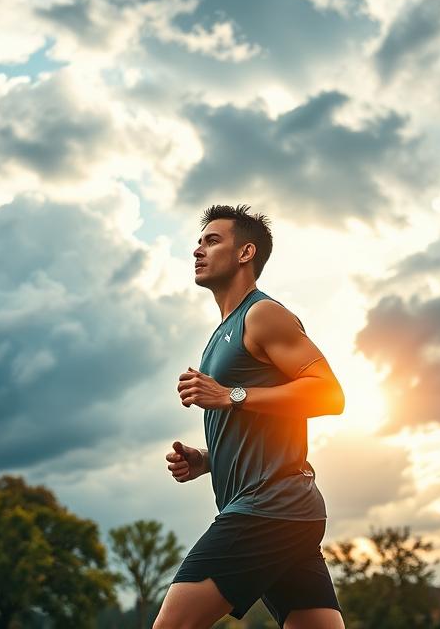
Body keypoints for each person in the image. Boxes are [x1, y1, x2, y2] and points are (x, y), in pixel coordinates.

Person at [154, 204, 346, 629]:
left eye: (212, 240)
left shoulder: (262, 314)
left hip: (268, 507)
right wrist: (208, 460)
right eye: (199, 242)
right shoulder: (222, 332)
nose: (197, 250)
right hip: (286, 512)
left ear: (245, 253)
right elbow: (263, 420)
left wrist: (230, 394)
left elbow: (330, 394)